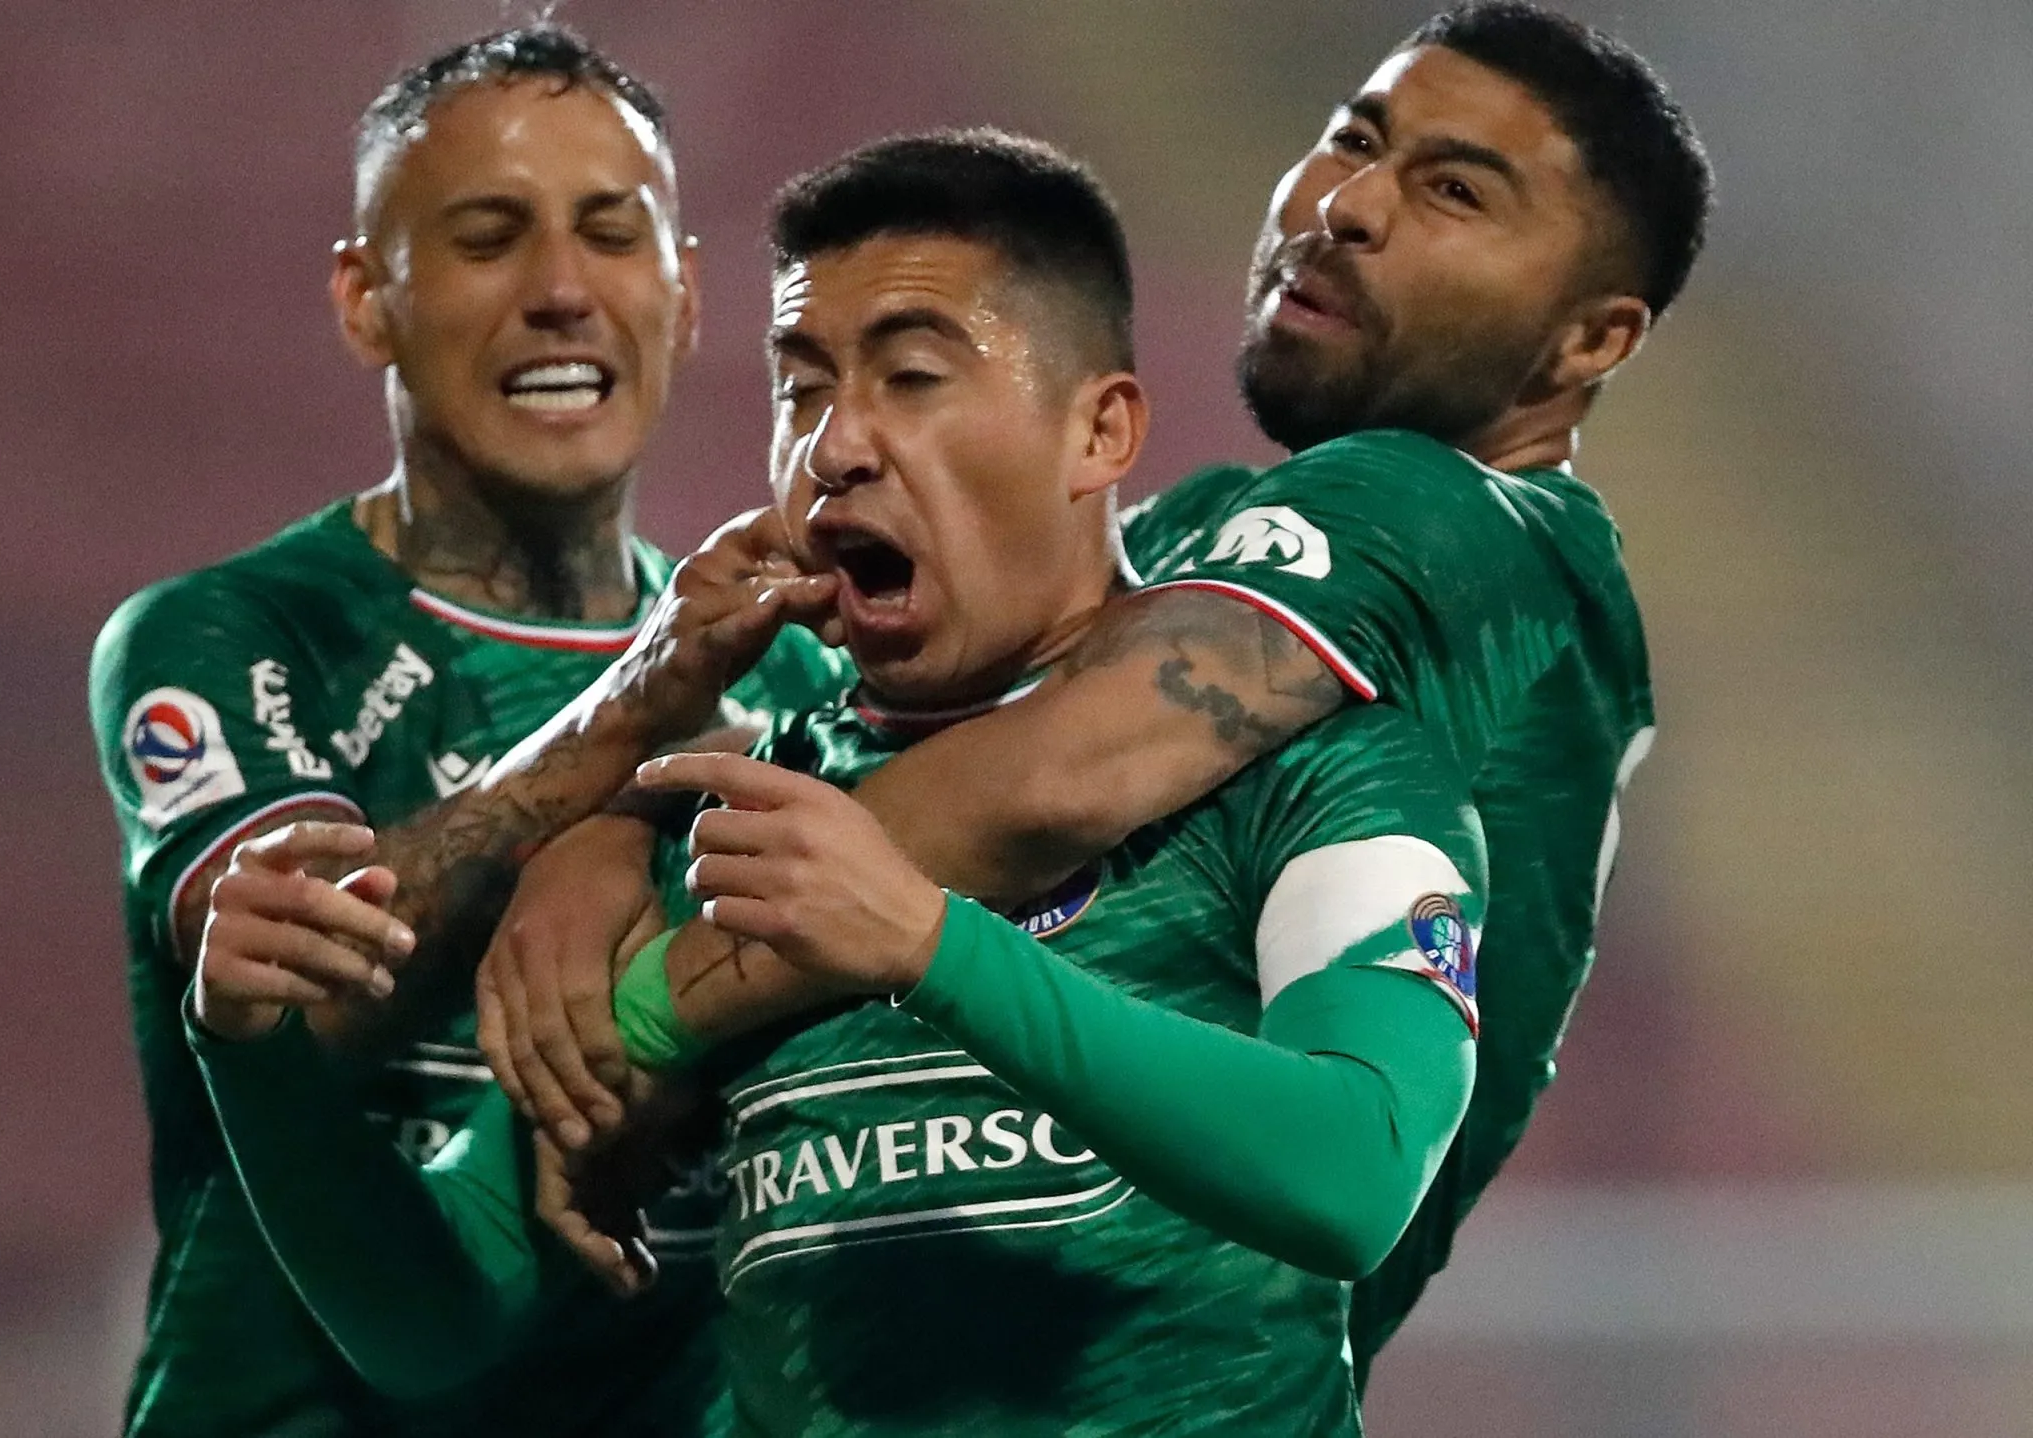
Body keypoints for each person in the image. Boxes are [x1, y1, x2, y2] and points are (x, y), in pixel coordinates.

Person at [190, 128, 1487, 1436]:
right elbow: (432, 1314)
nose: (837, 446)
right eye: (800, 390)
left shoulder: (1315, 765)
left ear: (1099, 429)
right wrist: (249, 1053)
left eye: (912, 377)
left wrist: (931, 947)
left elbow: (1358, 1167)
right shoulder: (718, 825)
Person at [478, 0, 1708, 1381]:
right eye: (1353, 140)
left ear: (1591, 341)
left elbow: (1046, 780)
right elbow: (820, 732)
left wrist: (638, 1013)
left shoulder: (1459, 520)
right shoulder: (1216, 538)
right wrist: (601, 839)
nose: (1350, 205)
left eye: (1456, 192)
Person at [86, 25, 844, 1437]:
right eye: (492, 238)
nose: (561, 291)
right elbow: (288, 1000)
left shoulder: (800, 674)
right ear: (369, 298)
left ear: (683, 298)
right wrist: (639, 713)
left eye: (612, 236)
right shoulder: (235, 635)